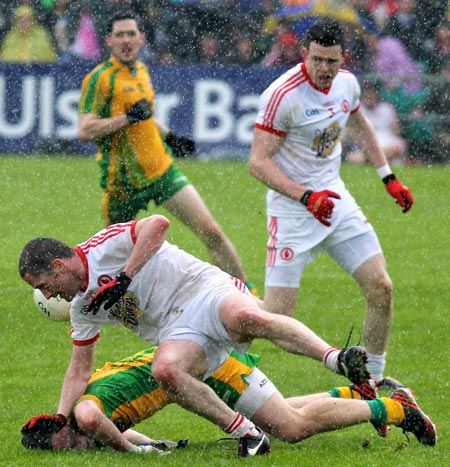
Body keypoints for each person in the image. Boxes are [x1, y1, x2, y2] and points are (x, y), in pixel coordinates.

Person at [19, 214, 375, 458]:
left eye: (43, 286)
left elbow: (158, 224)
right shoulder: (82, 308)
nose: (47, 296)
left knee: (246, 315)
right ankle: (248, 435)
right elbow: (79, 370)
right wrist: (60, 417)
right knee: (165, 370)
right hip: (178, 331)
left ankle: (337, 359)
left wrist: (124, 277)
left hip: (202, 288)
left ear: (58, 266)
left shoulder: (102, 247)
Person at [248, 18, 414, 382]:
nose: (324, 69)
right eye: (317, 60)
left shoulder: (347, 84)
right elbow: (257, 163)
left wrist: (387, 176)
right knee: (275, 320)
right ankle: (226, 314)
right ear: (304, 54)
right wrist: (305, 197)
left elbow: (359, 125)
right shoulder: (282, 95)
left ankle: (371, 379)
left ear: (344, 58)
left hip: (335, 202)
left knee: (381, 287)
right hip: (292, 213)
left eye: (332, 61)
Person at [77, 10, 257, 294]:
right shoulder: (99, 79)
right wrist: (125, 119)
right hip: (121, 182)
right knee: (116, 260)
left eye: (131, 34)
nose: (126, 40)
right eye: (120, 34)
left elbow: (144, 117)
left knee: (211, 232)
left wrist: (171, 137)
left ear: (142, 38)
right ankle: (97, 309)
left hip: (160, 169)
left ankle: (245, 295)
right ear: (109, 40)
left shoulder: (142, 71)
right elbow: (85, 129)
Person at [21, 347, 436, 453]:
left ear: (59, 433)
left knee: (290, 428)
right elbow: (112, 426)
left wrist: (134, 452)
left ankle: (398, 408)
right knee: (278, 410)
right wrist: (150, 444)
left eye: (65, 447)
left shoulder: (83, 414)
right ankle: (350, 395)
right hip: (198, 363)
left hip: (206, 371)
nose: (77, 448)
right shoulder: (89, 407)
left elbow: (97, 425)